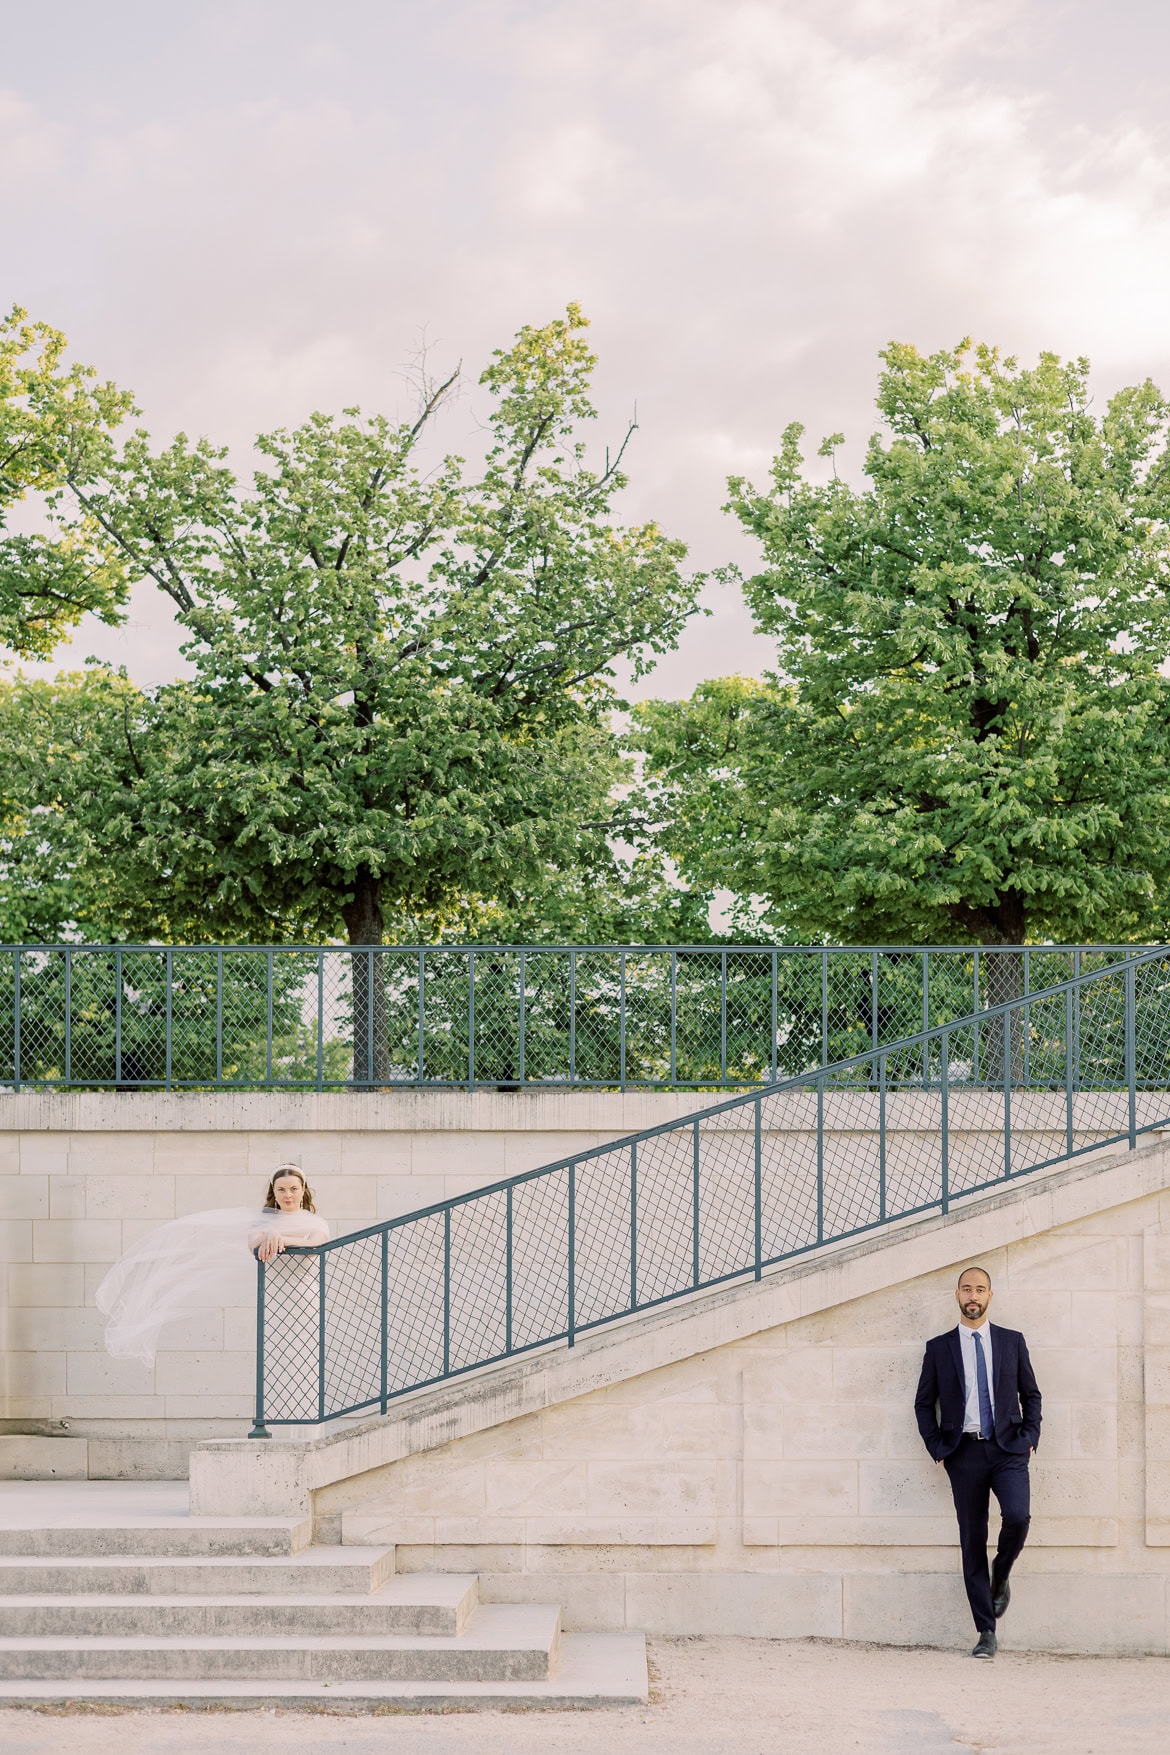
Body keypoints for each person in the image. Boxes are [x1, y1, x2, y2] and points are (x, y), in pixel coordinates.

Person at [913, 1264, 1042, 1660]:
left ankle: (1000, 1575)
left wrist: (1029, 1437)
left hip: (1008, 1450)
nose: (973, 1296)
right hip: (963, 1453)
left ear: (990, 1295)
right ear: (957, 1295)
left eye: (980, 1289)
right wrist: (938, 1447)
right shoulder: (939, 1348)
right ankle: (986, 1631)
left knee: (1018, 1517)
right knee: (972, 1540)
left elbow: (1031, 1395)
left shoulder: (1011, 1341)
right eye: (966, 1289)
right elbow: (923, 1404)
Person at [95, 1164, 328, 1365]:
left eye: (293, 1189)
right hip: (273, 1301)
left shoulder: (316, 1223)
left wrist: (280, 1238)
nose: (288, 1195)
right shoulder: (262, 1225)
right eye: (281, 1189)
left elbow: (316, 1243)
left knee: (306, 1357)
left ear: (303, 1190)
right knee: (276, 1360)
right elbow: (253, 1245)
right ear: (273, 1192)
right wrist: (270, 1233)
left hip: (305, 1300)